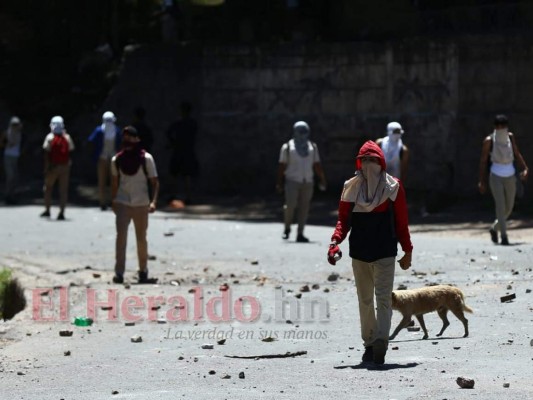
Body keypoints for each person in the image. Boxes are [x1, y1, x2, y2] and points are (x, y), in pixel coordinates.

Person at [327, 140, 413, 365]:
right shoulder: (351, 187)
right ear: (358, 163)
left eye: (373, 160)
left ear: (381, 163)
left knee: (382, 299)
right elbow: (343, 221)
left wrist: (408, 250)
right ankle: (370, 343)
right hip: (359, 253)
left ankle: (380, 342)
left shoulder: (393, 187)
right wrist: (334, 242)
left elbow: (402, 223)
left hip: (385, 252)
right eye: (364, 160)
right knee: (365, 300)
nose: (368, 165)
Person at [111, 126, 159, 284]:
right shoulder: (117, 160)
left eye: (131, 137)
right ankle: (119, 273)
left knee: (141, 239)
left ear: (137, 139)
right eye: (125, 137)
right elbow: (115, 182)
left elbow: (154, 182)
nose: (128, 141)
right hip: (123, 202)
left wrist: (153, 201)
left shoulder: (146, 159)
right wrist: (114, 201)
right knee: (121, 239)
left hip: (141, 204)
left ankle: (143, 270)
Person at [478, 114, 528, 245]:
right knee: (500, 206)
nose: (501, 129)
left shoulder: (510, 138)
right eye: (499, 126)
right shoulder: (489, 140)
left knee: (509, 207)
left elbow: (516, 154)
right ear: (495, 127)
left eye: (503, 126)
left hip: (510, 174)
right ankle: (504, 236)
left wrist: (525, 168)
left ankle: (494, 228)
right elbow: (483, 161)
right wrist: (482, 181)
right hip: (495, 175)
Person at [276, 121, 327, 242]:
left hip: (307, 181)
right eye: (300, 131)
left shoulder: (312, 147)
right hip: (292, 181)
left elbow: (316, 164)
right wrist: (279, 182)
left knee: (304, 208)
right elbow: (282, 166)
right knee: (290, 206)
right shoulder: (287, 147)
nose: (303, 134)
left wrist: (322, 179)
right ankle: (287, 227)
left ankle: (300, 233)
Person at [41, 116, 75, 220]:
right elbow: (71, 150)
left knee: (48, 188)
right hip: (65, 166)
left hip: (53, 167)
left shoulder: (50, 137)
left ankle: (47, 210)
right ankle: (62, 212)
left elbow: (46, 152)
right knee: (63, 190)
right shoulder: (67, 137)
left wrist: (46, 168)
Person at [88, 111, 122, 210]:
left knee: (103, 181)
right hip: (111, 157)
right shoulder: (115, 130)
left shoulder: (100, 130)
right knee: (112, 181)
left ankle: (104, 201)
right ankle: (112, 201)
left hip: (104, 158)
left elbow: (90, 141)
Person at [166, 101, 199, 204]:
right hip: (188, 151)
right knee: (186, 175)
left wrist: (173, 143)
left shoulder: (178, 123)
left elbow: (168, 133)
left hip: (179, 150)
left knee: (175, 174)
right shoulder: (192, 123)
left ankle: (173, 195)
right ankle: (187, 196)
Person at [2, 116, 23, 204]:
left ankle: (12, 195)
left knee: (14, 177)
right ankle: (7, 194)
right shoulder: (7, 132)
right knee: (10, 176)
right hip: (8, 156)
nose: (15, 126)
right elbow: (3, 143)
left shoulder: (18, 133)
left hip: (15, 156)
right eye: (14, 124)